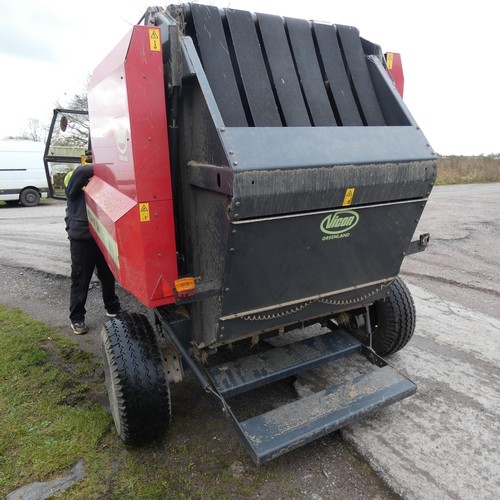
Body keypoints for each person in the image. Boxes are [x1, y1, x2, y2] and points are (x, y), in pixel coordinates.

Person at [65, 163, 121, 334]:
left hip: (102, 238)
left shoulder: (98, 191)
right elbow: (82, 171)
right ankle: (77, 318)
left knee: (108, 276)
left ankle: (112, 307)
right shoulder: (73, 192)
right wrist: (107, 163)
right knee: (81, 280)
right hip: (82, 241)